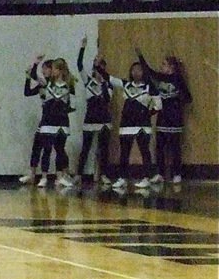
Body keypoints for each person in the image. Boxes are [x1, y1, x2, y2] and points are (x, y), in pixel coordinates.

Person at [137, 49, 191, 184]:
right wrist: (140, 56)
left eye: (164, 64)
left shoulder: (178, 80)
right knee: (159, 147)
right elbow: (149, 71)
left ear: (171, 67)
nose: (161, 67)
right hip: (162, 118)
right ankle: (160, 173)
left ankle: (177, 173)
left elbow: (189, 98)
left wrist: (176, 101)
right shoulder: (160, 78)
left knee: (175, 147)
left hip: (175, 118)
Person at [20, 57, 75, 188]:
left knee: (60, 149)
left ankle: (61, 174)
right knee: (42, 147)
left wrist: (66, 107)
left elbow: (72, 102)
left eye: (46, 69)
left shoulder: (68, 84)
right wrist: (35, 63)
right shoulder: (46, 83)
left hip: (60, 120)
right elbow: (29, 87)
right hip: (47, 120)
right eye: (43, 69)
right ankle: (38, 175)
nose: (44, 71)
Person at [75, 36, 118, 188]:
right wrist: (83, 47)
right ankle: (79, 174)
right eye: (95, 67)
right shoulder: (88, 81)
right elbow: (79, 65)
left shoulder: (109, 84)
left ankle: (104, 174)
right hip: (90, 118)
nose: (97, 70)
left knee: (104, 149)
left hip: (104, 119)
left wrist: (103, 84)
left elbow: (107, 99)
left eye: (100, 68)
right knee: (85, 148)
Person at [112, 61, 160, 191]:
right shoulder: (126, 85)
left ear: (143, 72)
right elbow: (110, 79)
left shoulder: (149, 87)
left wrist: (147, 114)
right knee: (124, 152)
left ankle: (147, 177)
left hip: (142, 125)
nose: (136, 72)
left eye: (139, 70)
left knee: (144, 151)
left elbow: (158, 105)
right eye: (133, 70)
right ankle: (122, 177)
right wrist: (98, 66)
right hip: (126, 124)